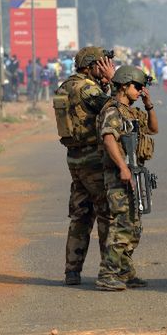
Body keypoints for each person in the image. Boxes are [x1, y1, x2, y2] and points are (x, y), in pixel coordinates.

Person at [53, 46, 115, 286]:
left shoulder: (66, 86)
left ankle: (72, 271)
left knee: (80, 214)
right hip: (93, 159)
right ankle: (109, 270)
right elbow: (114, 109)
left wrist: (104, 84)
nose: (105, 68)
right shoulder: (87, 88)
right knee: (105, 214)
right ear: (91, 67)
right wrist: (111, 80)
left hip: (75, 158)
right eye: (101, 64)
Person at [95, 65, 158, 291]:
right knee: (122, 225)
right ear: (124, 85)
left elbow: (153, 128)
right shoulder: (112, 110)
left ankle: (125, 270)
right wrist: (123, 167)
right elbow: (109, 138)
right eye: (137, 87)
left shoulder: (131, 111)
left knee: (134, 227)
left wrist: (148, 105)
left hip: (135, 172)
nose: (140, 91)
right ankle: (107, 273)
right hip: (119, 175)